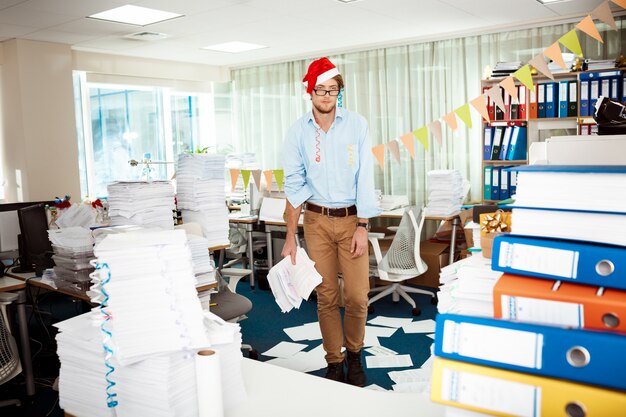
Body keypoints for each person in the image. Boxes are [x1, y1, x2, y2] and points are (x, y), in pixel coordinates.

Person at [281, 57, 380, 386]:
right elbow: (294, 185)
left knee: (356, 296)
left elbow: (365, 175)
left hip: (352, 220)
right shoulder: (297, 132)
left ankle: (354, 353)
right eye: (320, 89)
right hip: (316, 221)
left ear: (340, 92)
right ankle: (334, 360)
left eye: (332, 89)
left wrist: (363, 225)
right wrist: (290, 237)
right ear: (310, 91)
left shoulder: (357, 125)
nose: (326, 95)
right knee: (326, 296)